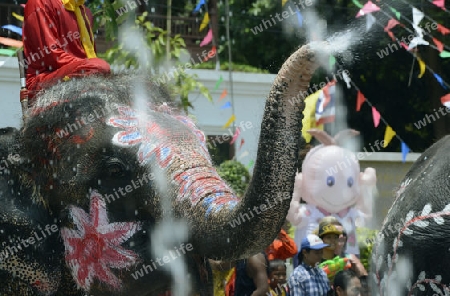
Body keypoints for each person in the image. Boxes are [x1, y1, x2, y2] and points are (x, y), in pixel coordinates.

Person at [22, 0, 111, 105]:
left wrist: (88, 67)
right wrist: (88, 67)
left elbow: (90, 58)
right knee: (99, 66)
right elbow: (51, 56)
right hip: (43, 81)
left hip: (81, 73)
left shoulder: (85, 11)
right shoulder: (40, 2)